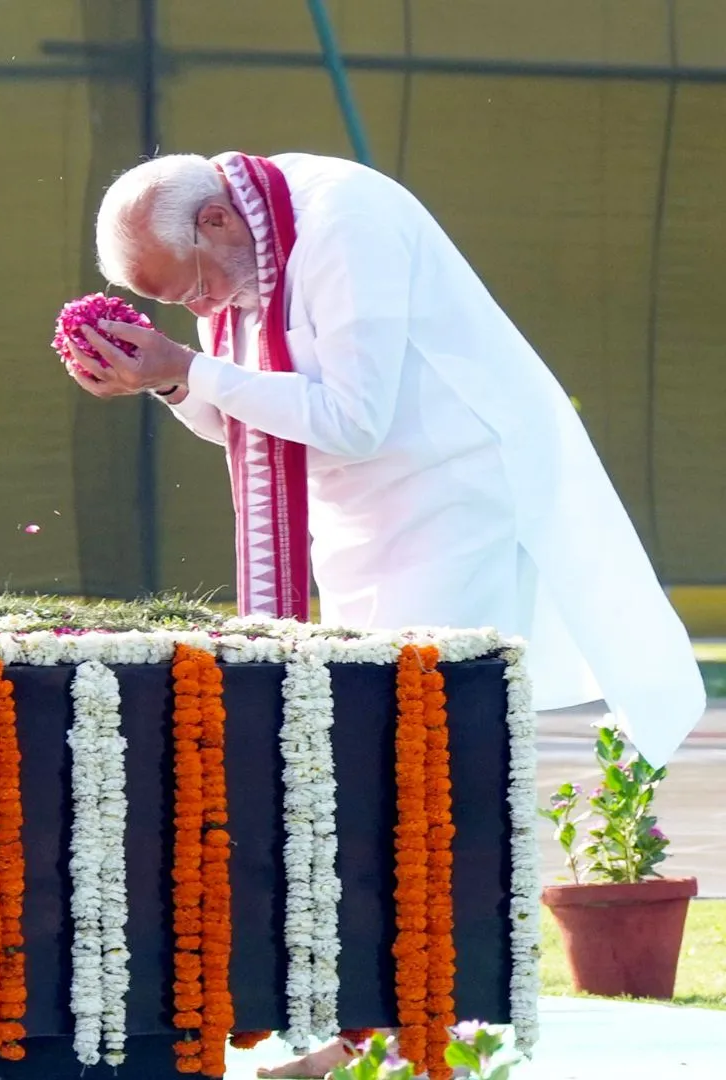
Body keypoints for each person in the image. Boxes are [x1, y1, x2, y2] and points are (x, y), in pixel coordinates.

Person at [75, 151, 707, 1076]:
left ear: (215, 223)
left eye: (199, 290)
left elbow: (355, 416)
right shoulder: (256, 233)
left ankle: (415, 1024)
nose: (205, 313)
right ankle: (383, 1017)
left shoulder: (340, 219)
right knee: (363, 765)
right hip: (361, 516)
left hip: (453, 498)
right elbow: (253, 416)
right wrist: (170, 381)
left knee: (417, 761)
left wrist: (193, 367)